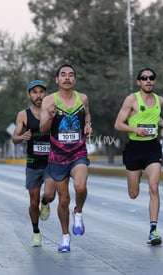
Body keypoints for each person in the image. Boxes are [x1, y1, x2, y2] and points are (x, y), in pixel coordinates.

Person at [114, 67, 163, 246]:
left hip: (152, 148)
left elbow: (156, 118)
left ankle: (153, 231)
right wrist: (134, 129)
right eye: (144, 78)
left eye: (151, 78)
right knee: (133, 194)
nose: (148, 81)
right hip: (134, 148)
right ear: (139, 82)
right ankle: (137, 174)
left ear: (155, 81)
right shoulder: (131, 100)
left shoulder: (159, 100)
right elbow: (118, 124)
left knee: (154, 188)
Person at [40, 64, 93, 252]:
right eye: (63, 75)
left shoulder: (82, 98)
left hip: (78, 152)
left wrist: (88, 125)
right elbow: (43, 129)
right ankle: (65, 236)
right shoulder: (49, 101)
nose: (67, 78)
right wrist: (50, 117)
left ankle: (78, 212)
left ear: (75, 80)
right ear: (57, 80)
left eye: (71, 75)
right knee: (63, 200)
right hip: (57, 156)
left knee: (80, 186)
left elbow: (86, 115)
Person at [12, 80, 56, 247]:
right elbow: (14, 138)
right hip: (33, 163)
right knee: (33, 202)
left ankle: (46, 203)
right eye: (34, 92)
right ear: (29, 95)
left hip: (51, 162)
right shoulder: (23, 115)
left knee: (50, 195)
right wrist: (22, 137)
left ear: (46, 94)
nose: (38, 95)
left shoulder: (53, 111)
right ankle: (36, 231)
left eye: (41, 92)